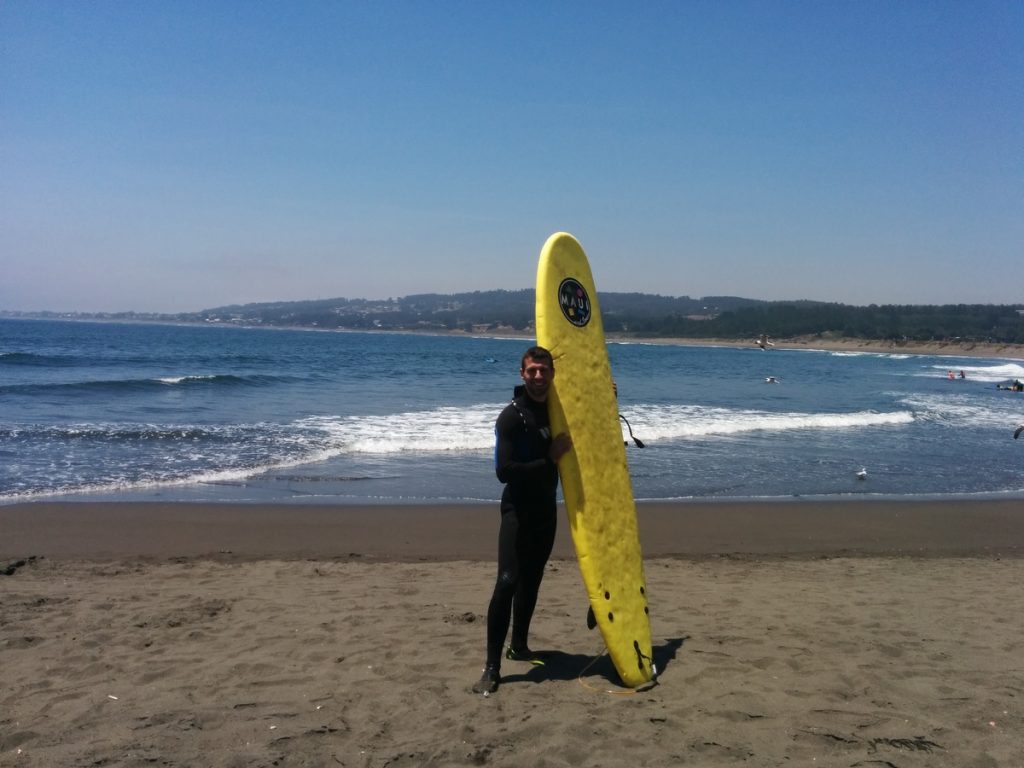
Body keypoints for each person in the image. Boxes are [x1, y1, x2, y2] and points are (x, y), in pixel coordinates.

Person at [472, 346, 572, 695]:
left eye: (544, 370)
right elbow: (504, 472)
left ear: (552, 373)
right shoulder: (511, 417)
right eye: (532, 371)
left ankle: (520, 646)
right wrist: (550, 460)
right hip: (518, 512)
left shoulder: (557, 410)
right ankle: (492, 667)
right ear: (522, 374)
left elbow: (588, 416)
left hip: (546, 509)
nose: (539, 377)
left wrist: (607, 395)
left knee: (532, 581)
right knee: (507, 582)